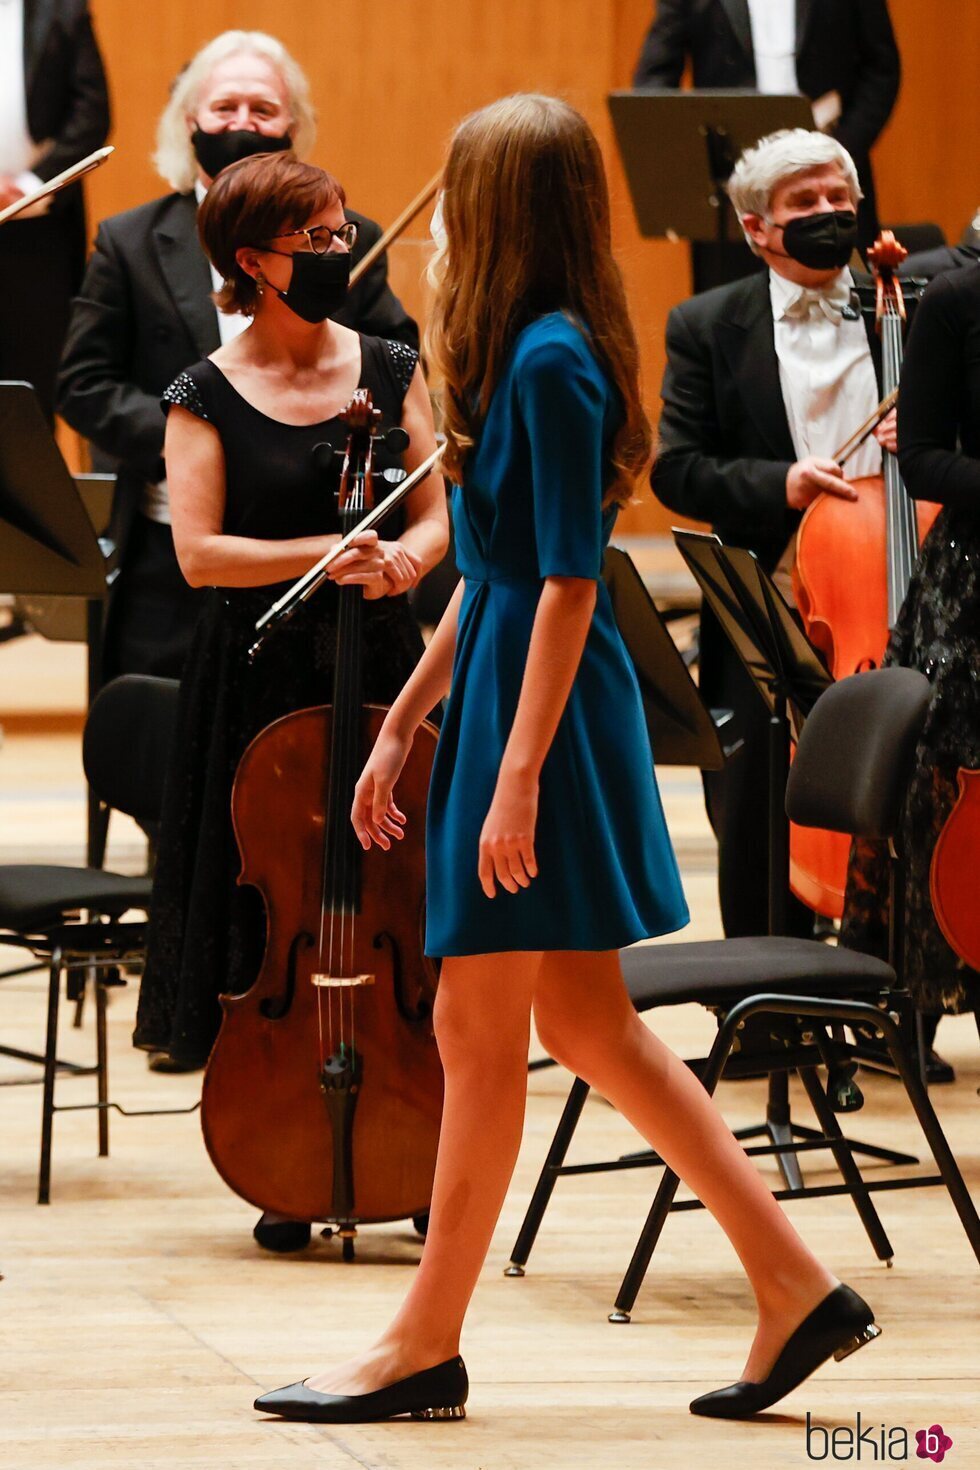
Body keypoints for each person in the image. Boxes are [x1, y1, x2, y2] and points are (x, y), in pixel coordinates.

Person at [253, 94, 879, 1428]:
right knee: (587, 1023)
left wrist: (517, 772)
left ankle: (424, 1338)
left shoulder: (549, 360)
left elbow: (566, 586)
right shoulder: (526, 352)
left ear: (494, 210)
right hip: (508, 694)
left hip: (546, 715)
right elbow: (485, 577)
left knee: (481, 1031)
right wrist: (413, 719)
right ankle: (796, 1282)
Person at [129, 153, 448, 1240]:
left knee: (399, 891)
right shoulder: (200, 390)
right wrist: (330, 546)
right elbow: (202, 557)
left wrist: (404, 564)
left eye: (340, 229)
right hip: (260, 675)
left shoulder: (394, 366)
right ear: (252, 261)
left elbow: (434, 515)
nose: (338, 250)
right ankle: (286, 1138)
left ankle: (414, 1123)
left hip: (382, 659)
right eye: (313, 239)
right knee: (267, 908)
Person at [56, 30, 417, 683]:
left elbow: (398, 366)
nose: (242, 123)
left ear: (292, 128)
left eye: (263, 109)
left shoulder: (340, 242)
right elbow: (84, 384)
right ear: (188, 122)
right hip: (169, 567)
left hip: (325, 550)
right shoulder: (128, 241)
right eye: (224, 108)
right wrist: (203, 452)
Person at [651, 128, 895, 942]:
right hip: (767, 588)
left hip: (891, 589)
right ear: (756, 228)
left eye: (839, 199)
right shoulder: (707, 325)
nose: (828, 213)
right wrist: (780, 482)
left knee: (902, 790)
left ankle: (897, 994)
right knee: (756, 802)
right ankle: (769, 995)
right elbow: (677, 469)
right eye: (805, 203)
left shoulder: (905, 304)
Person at [842, 262, 980, 1060]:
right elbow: (923, 455)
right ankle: (913, 1010)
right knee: (943, 804)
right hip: (972, 594)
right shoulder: (958, 304)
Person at [632, 0, 900, 286]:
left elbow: (882, 69)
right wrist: (698, 165)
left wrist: (837, 154)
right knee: (729, 319)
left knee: (853, 307)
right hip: (731, 191)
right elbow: (654, 82)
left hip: (828, 179)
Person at [0, 0, 109, 421]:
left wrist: (28, 188)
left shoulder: (63, 9)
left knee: (33, 376)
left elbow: (92, 112)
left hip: (36, 228)